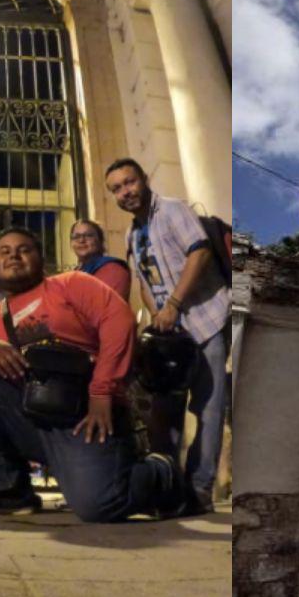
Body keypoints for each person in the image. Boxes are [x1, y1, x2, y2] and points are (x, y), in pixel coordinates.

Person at [0, 227, 184, 520]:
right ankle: (6, 492)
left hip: (83, 415)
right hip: (27, 417)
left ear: (41, 258)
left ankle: (161, 471)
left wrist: (102, 391)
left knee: (98, 505)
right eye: (4, 251)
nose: (14, 255)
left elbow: (118, 320)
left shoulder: (70, 284)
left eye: (24, 249)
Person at [106, 158, 230, 512]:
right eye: (116, 188)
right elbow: (145, 283)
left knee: (208, 407)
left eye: (129, 183)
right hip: (169, 335)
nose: (125, 192)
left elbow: (200, 251)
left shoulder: (173, 210)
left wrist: (174, 302)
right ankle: (169, 485)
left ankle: (199, 489)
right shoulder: (133, 233)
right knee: (165, 411)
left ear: (144, 180)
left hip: (205, 321)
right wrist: (159, 313)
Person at [70, 219, 131, 301]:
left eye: (88, 235)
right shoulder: (75, 272)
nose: (81, 240)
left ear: (100, 240)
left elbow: (105, 305)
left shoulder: (113, 269)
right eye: (76, 237)